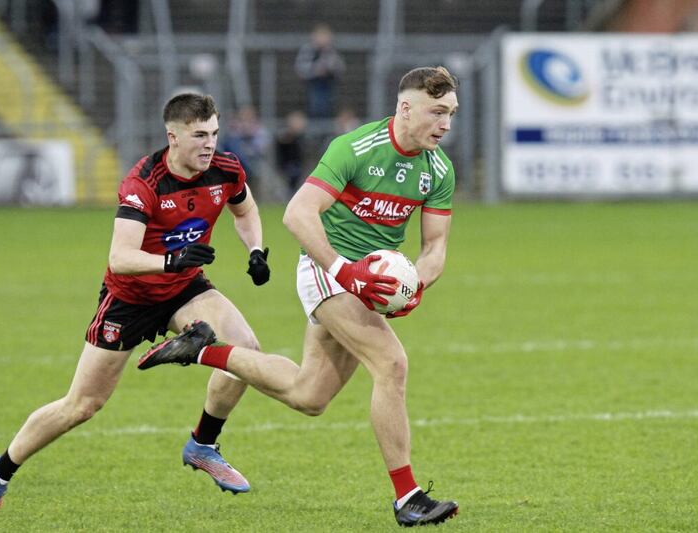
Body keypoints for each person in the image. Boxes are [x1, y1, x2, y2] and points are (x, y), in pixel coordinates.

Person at [139, 67, 460, 527]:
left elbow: (435, 249)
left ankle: (204, 349)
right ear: (405, 107)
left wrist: (415, 286)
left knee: (308, 395)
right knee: (392, 364)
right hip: (326, 268)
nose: (445, 123)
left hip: (368, 283)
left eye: (450, 113)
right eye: (437, 112)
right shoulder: (355, 148)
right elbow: (297, 214)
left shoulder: (438, 169)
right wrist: (344, 271)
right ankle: (407, 497)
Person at [0, 93, 271, 512]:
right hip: (129, 298)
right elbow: (121, 258)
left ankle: (202, 444)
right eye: (199, 135)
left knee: (246, 352)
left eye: (215, 133)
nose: (210, 144)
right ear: (173, 137)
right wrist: (172, 259)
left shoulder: (225, 169)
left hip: (185, 289)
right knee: (82, 405)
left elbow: (245, 211)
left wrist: (256, 250)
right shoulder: (143, 183)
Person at [294, 23, 346, 119]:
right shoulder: (308, 50)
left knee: (328, 107)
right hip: (311, 86)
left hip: (329, 86)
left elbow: (340, 68)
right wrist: (315, 70)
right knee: (316, 106)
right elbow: (300, 68)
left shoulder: (331, 51)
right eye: (321, 36)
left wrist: (330, 69)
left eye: (325, 36)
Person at [275, 110, 308, 194]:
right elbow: (281, 142)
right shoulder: (285, 134)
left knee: (296, 177)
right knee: (292, 177)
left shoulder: (301, 136)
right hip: (286, 164)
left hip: (297, 165)